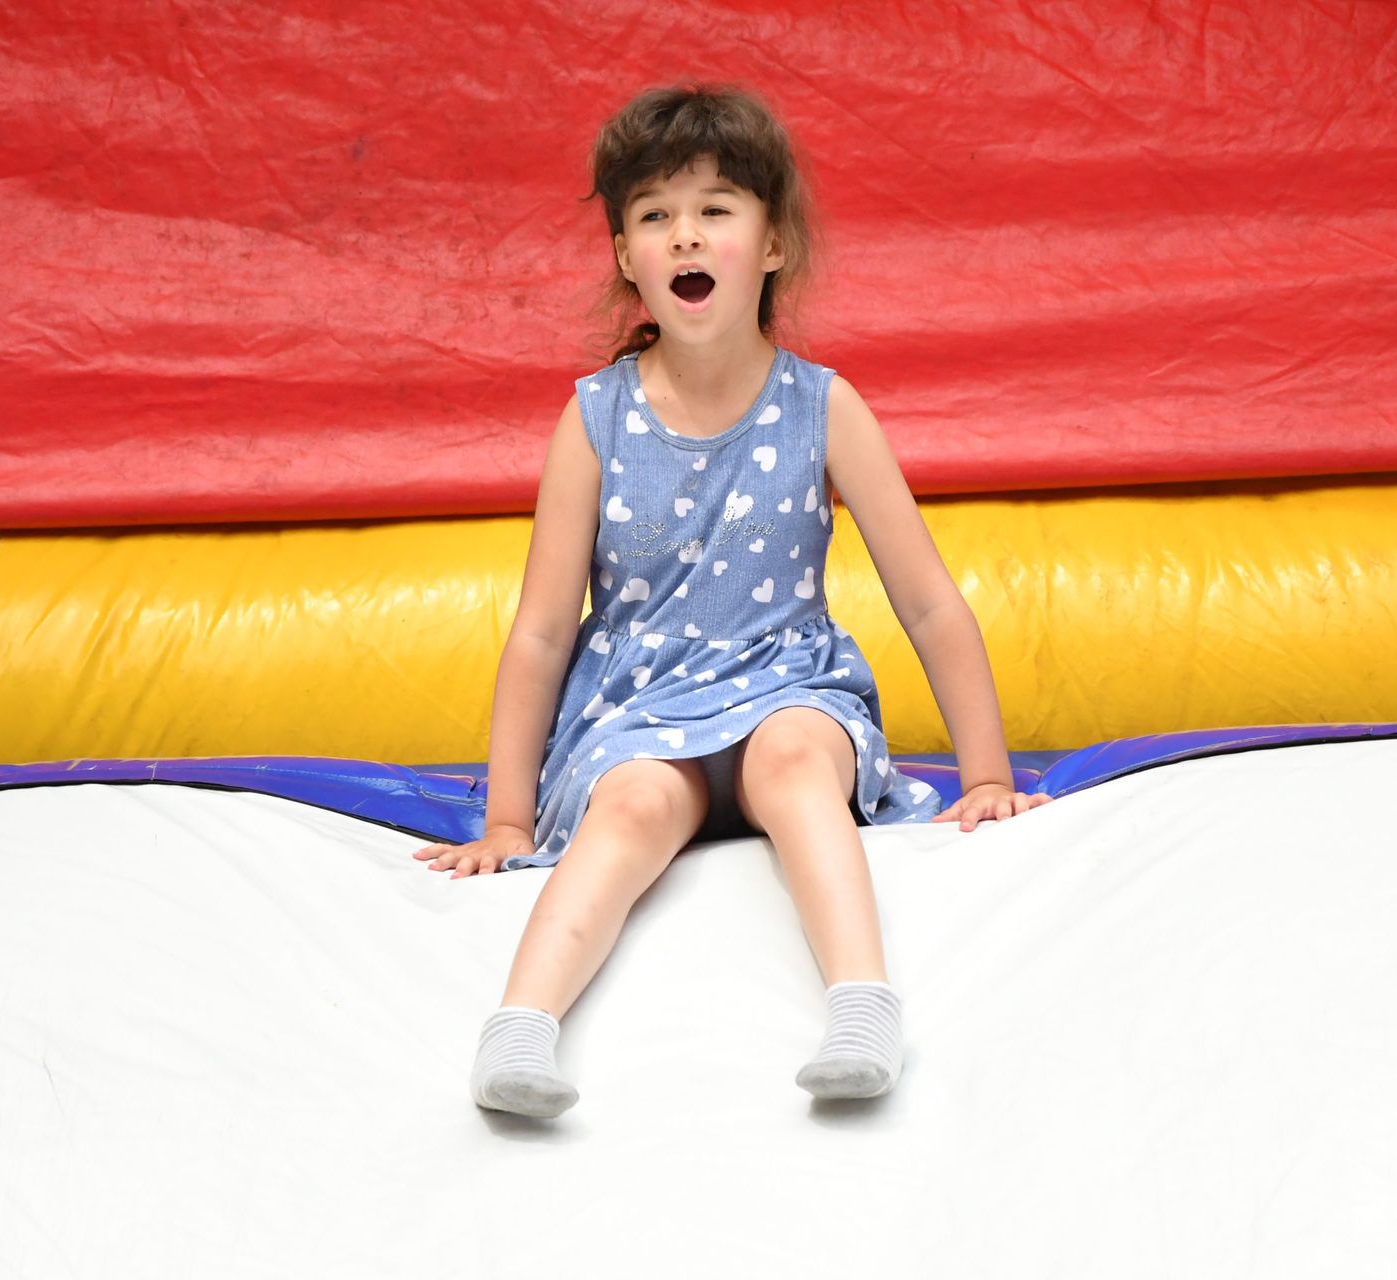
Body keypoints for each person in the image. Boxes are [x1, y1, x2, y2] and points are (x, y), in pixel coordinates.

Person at [409, 82, 1053, 1117]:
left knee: (795, 758)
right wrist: (507, 817)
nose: (684, 234)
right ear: (627, 258)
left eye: (715, 208)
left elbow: (929, 601)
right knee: (629, 806)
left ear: (773, 244)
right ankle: (520, 1027)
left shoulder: (823, 407)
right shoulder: (595, 420)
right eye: (654, 215)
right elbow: (542, 631)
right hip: (641, 707)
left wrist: (986, 776)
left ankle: (862, 1006)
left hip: (787, 683)